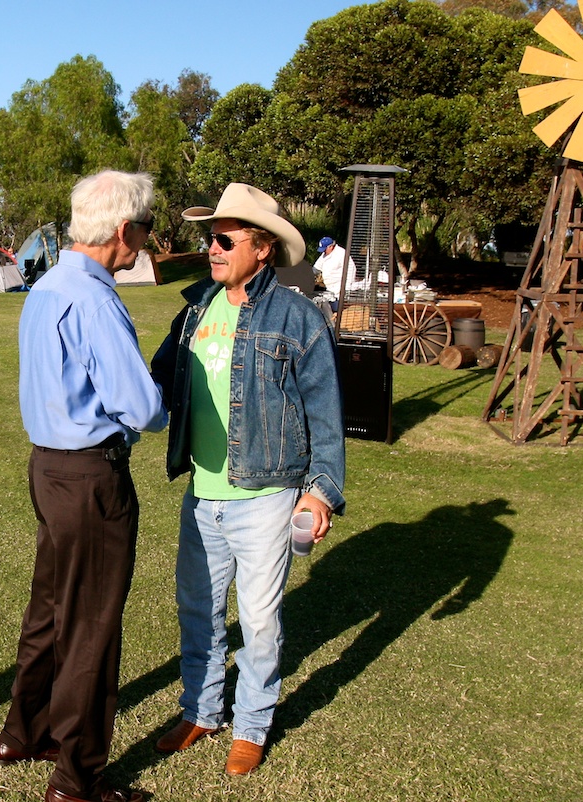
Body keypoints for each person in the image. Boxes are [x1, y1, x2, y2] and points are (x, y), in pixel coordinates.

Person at [150, 183, 346, 776]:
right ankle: (201, 710)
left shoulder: (298, 316)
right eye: (209, 237)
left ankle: (252, 724)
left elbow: (325, 412)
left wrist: (320, 488)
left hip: (266, 495)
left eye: (223, 238)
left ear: (261, 249)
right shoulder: (195, 308)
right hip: (202, 493)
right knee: (199, 611)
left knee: (260, 622)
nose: (211, 248)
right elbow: (156, 378)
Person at [0, 170, 168, 802]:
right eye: (145, 231)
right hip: (91, 476)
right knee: (93, 624)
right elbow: (141, 407)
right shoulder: (95, 298)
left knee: (49, 609)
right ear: (123, 230)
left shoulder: (45, 287)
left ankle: (24, 730)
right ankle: (77, 779)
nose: (144, 244)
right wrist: (163, 399)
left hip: (48, 467)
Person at [312, 236, 357, 310]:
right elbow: (316, 268)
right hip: (329, 289)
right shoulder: (324, 254)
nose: (323, 252)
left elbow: (351, 269)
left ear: (330, 246)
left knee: (337, 310)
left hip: (339, 289)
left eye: (325, 249)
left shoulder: (341, 254)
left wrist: (346, 287)